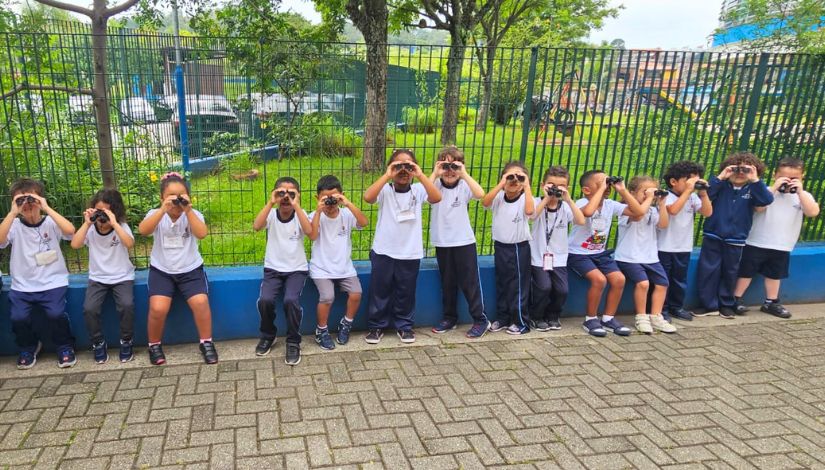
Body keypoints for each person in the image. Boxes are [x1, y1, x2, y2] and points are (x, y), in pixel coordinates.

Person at [363, 149, 441, 344]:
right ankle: (376, 325)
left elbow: (436, 197)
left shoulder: (419, 190)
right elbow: (368, 197)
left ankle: (404, 325)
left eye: (408, 166)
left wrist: (420, 175)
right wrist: (387, 175)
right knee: (379, 290)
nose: (403, 170)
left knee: (405, 292)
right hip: (384, 250)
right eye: (398, 166)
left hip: (410, 252)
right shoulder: (385, 190)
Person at [138, 172, 217, 365]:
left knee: (200, 302)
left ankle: (206, 342)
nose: (176, 200)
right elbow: (143, 231)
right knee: (158, 308)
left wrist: (188, 210)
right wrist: (161, 211)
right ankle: (154, 345)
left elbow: (202, 234)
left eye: (181, 196)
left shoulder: (193, 215)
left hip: (190, 270)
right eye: (171, 196)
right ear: (162, 198)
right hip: (162, 270)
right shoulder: (155, 215)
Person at [0, 178, 76, 369]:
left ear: (40, 199)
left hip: (53, 281)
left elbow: (70, 231)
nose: (27, 204)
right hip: (22, 285)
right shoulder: (14, 226)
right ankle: (28, 347)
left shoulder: (51, 222)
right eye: (20, 200)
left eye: (31, 199)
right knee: (18, 318)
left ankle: (64, 346)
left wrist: (46, 208)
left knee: (56, 314)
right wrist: (12, 213)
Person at [733, 157, 820, 318]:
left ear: (802, 177)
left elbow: (812, 212)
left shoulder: (803, 196)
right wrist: (774, 188)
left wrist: (800, 192)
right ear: (775, 175)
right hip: (756, 242)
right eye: (783, 177)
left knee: (775, 274)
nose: (788, 181)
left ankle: (771, 302)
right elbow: (759, 208)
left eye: (794, 178)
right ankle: (735, 299)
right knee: (746, 272)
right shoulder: (765, 191)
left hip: (782, 244)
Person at [567, 170, 645, 337]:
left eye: (608, 183)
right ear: (586, 190)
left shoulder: (610, 205)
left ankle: (608, 318)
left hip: (600, 253)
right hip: (578, 253)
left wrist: (622, 190)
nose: (607, 186)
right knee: (599, 280)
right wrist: (602, 189)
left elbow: (638, 212)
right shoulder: (581, 202)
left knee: (619, 279)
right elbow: (588, 212)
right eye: (601, 183)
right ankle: (590, 319)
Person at [695, 152, 773, 319]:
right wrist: (721, 177)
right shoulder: (720, 185)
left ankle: (726, 305)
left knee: (730, 273)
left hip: (736, 238)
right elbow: (706, 195)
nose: (740, 173)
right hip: (713, 235)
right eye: (736, 169)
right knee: (708, 271)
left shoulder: (754, 188)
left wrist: (755, 180)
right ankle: (708, 305)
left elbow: (766, 200)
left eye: (746, 169)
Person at [429, 146, 490, 338]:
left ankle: (480, 319)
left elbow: (480, 194)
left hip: (464, 241)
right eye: (445, 165)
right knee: (447, 283)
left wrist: (463, 173)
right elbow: (424, 194)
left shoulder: (464, 185)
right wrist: (435, 172)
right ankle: (450, 317)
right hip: (442, 241)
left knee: (470, 282)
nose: (450, 170)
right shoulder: (435, 184)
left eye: (454, 166)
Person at [71, 189, 136, 364]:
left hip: (122, 276)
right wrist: (87, 223)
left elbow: (129, 244)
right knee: (89, 309)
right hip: (98, 277)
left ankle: (126, 340)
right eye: (99, 211)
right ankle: (98, 342)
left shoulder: (121, 227)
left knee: (126, 305)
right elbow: (75, 244)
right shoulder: (91, 229)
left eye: (106, 212)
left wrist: (114, 223)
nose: (102, 217)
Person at [253, 177, 313, 365]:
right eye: (281, 193)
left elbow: (310, 232)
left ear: (298, 196)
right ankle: (268, 335)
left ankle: (293, 341)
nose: (286, 197)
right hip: (273, 268)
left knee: (290, 301)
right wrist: (271, 203)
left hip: (296, 269)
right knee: (265, 300)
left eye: (291, 193)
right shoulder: (271, 214)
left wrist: (297, 206)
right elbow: (256, 226)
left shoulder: (301, 214)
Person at [308, 175, 369, 350]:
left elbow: (364, 222)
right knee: (327, 297)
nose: (330, 202)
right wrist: (318, 211)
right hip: (321, 268)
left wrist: (347, 203)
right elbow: (312, 235)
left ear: (341, 195)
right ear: (317, 198)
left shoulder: (347, 214)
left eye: (334, 198)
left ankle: (346, 323)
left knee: (356, 293)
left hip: (344, 267)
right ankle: (321, 330)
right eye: (325, 198)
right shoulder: (314, 216)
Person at [614, 176, 677, 334]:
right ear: (632, 193)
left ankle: (656, 316)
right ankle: (641, 317)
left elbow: (663, 225)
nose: (649, 194)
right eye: (645, 191)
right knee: (643, 284)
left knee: (662, 283)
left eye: (652, 191)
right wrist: (649, 198)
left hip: (650, 257)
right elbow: (638, 215)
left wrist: (661, 204)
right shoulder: (625, 209)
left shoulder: (652, 210)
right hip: (629, 257)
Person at [528, 166, 585, 331]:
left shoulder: (565, 207)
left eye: (560, 186)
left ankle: (553, 315)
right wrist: (547, 198)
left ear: (567, 188)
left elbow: (580, 221)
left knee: (562, 290)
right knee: (543, 287)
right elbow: (532, 216)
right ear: (542, 185)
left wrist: (569, 200)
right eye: (551, 185)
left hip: (558, 257)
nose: (555, 189)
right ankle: (536, 316)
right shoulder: (537, 202)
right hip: (538, 256)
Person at [483, 161, 535, 335]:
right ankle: (503, 318)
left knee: (518, 286)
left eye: (519, 177)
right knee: (502, 283)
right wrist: (501, 184)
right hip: (500, 246)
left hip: (518, 248)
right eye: (510, 176)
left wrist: (526, 186)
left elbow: (530, 211)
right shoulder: (498, 197)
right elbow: (485, 202)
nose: (514, 180)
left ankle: (521, 322)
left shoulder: (526, 199)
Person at [657, 161, 712, 322]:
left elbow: (707, 212)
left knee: (679, 280)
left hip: (683, 247)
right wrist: (688, 191)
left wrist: (703, 193)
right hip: (664, 247)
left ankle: (676, 307)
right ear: (673, 181)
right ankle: (661, 309)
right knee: (663, 281)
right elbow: (673, 210)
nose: (692, 184)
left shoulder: (693, 196)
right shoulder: (665, 197)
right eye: (688, 180)